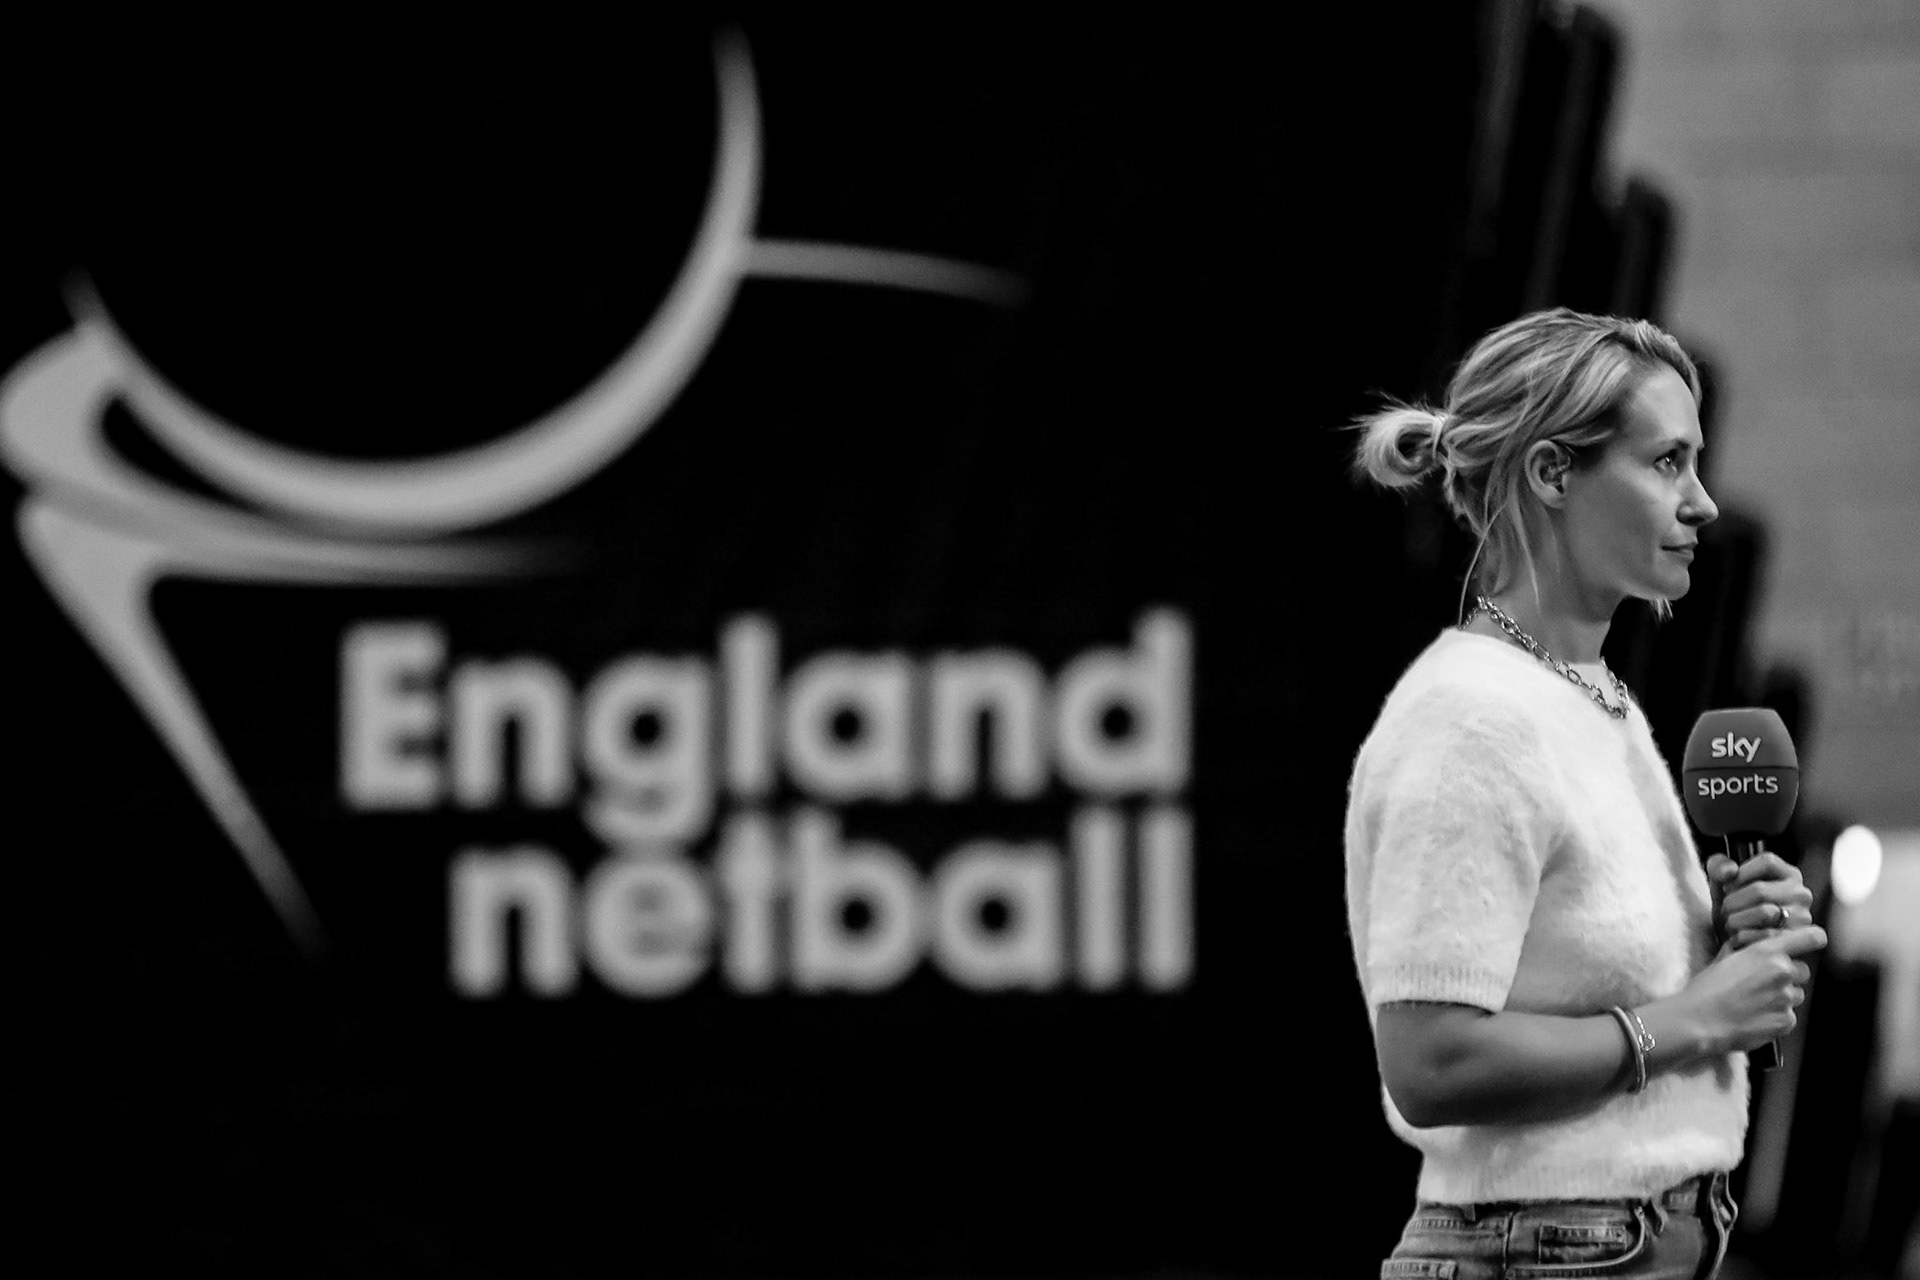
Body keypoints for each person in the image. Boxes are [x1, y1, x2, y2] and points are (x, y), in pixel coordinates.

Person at [1344, 307, 1826, 1277]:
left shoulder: (1585, 694)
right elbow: (1430, 1061)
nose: (1703, 504)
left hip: (1623, 1238)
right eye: (1665, 463)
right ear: (1553, 473)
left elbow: (1583, 985)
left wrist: (1718, 947)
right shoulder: (1473, 718)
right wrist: (1695, 1018)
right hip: (1544, 1247)